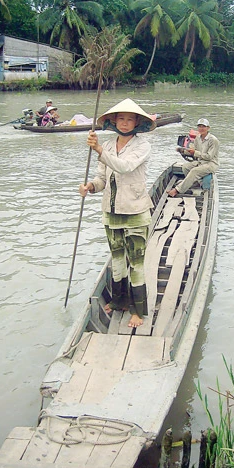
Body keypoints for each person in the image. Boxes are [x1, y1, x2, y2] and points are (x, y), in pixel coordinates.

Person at [79, 98, 156, 328]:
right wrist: (90, 187)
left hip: (135, 211)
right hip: (111, 213)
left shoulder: (142, 146)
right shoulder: (110, 145)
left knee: (136, 262)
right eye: (120, 118)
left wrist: (98, 149)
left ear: (137, 122)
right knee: (117, 260)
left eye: (129, 119)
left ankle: (138, 310)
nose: (124, 123)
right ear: (113, 122)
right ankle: (119, 301)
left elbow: (124, 167)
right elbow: (102, 178)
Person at [167, 118, 219, 197]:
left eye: (203, 126)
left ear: (208, 128)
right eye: (199, 126)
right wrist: (183, 151)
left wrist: (195, 153)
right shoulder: (197, 138)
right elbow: (193, 151)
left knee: (194, 171)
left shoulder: (213, 140)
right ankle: (194, 183)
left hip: (210, 164)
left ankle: (177, 190)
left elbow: (209, 157)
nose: (201, 128)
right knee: (185, 167)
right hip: (200, 162)